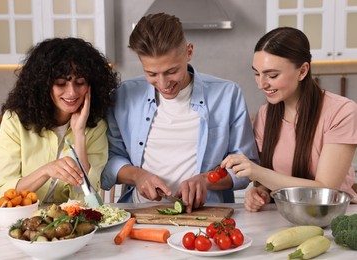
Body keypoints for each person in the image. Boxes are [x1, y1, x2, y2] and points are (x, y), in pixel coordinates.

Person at [101, 13, 259, 212]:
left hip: (206, 213)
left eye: (171, 71)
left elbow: (245, 166)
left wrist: (205, 180)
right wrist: (137, 176)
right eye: (151, 74)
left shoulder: (227, 95)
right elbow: (111, 158)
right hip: (141, 213)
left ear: (189, 52)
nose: (163, 84)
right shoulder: (123, 95)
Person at [221, 27, 357, 212]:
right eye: (257, 73)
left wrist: (257, 172)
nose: (261, 84)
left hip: (333, 217)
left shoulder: (342, 112)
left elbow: (327, 190)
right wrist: (260, 192)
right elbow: (268, 182)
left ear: (302, 71)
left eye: (272, 75)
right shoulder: (265, 115)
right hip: (283, 216)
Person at [0, 37, 119, 204]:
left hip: (67, 224)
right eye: (61, 83)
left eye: (80, 83)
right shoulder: (15, 121)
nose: (72, 92)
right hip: (24, 221)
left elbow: (89, 202)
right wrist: (46, 171)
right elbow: (1, 195)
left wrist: (79, 134)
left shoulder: (96, 126)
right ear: (44, 85)